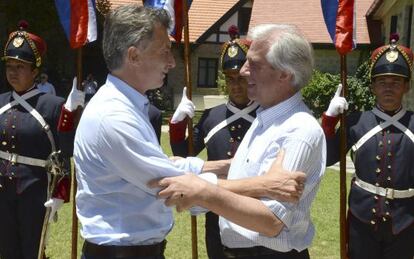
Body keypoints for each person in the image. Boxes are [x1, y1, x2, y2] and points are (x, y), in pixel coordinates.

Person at [74, 6, 305, 259]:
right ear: (134, 56)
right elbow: (173, 185)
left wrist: (228, 165)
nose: (172, 62)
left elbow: (166, 165)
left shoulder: (126, 106)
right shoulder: (113, 117)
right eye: (164, 52)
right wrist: (264, 184)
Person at [153, 24, 326, 258]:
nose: (244, 72)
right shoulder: (267, 119)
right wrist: (200, 183)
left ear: (284, 74)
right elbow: (241, 180)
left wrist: (202, 189)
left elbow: (271, 221)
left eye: (254, 64)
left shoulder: (298, 131)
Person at [169, 25, 258, 259]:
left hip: (254, 207)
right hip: (217, 209)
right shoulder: (212, 116)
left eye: (241, 78)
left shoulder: (266, 115)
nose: (235, 86)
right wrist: (178, 124)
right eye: (230, 79)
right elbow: (185, 154)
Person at [321, 35, 414, 258]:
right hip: (361, 221)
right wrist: (329, 120)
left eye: (395, 82)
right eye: (382, 82)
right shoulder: (355, 122)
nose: (388, 88)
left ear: (407, 87)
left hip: (406, 222)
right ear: (372, 86)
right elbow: (324, 157)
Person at [0, 21, 84, 258]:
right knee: (6, 249)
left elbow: (65, 152)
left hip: (35, 191)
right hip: (1, 190)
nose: (13, 72)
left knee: (32, 249)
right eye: (9, 66)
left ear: (35, 71)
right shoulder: (1, 101)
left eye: (20, 66)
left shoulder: (54, 106)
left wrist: (61, 193)